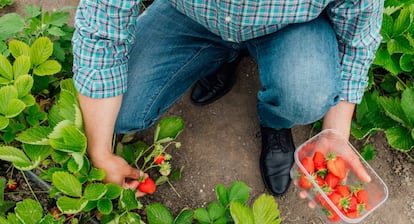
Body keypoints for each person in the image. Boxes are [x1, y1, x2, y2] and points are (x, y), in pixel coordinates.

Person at [72, 0, 384, 196]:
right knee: (121, 111)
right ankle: (225, 54)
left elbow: (356, 38)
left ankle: (276, 118)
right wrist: (100, 154)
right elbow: (102, 23)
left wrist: (335, 134)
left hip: (292, 27)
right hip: (192, 15)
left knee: (305, 95)